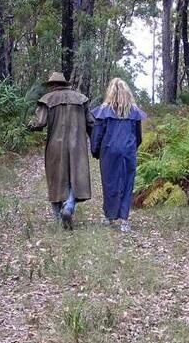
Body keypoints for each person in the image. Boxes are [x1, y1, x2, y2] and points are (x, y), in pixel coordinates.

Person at [27, 72, 94, 229]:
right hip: (78, 145)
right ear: (64, 84)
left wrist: (28, 126)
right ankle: (69, 206)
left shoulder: (47, 99)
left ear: (52, 85)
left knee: (55, 179)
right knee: (75, 178)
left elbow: (39, 123)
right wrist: (97, 144)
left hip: (55, 146)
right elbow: (91, 122)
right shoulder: (81, 99)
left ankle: (58, 216)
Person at [90, 78, 146, 233]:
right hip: (128, 151)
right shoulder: (133, 112)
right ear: (127, 93)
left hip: (109, 151)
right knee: (127, 183)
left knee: (109, 183)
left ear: (111, 93)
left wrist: (95, 151)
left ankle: (109, 216)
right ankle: (124, 220)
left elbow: (97, 135)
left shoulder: (104, 111)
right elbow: (138, 136)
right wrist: (132, 148)